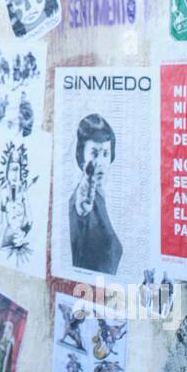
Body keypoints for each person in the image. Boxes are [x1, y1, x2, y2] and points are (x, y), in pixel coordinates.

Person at [68, 113, 123, 275]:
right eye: (94, 153)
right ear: (82, 156)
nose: (100, 162)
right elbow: (81, 209)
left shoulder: (100, 196)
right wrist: (82, 207)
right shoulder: (84, 197)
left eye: (106, 154)